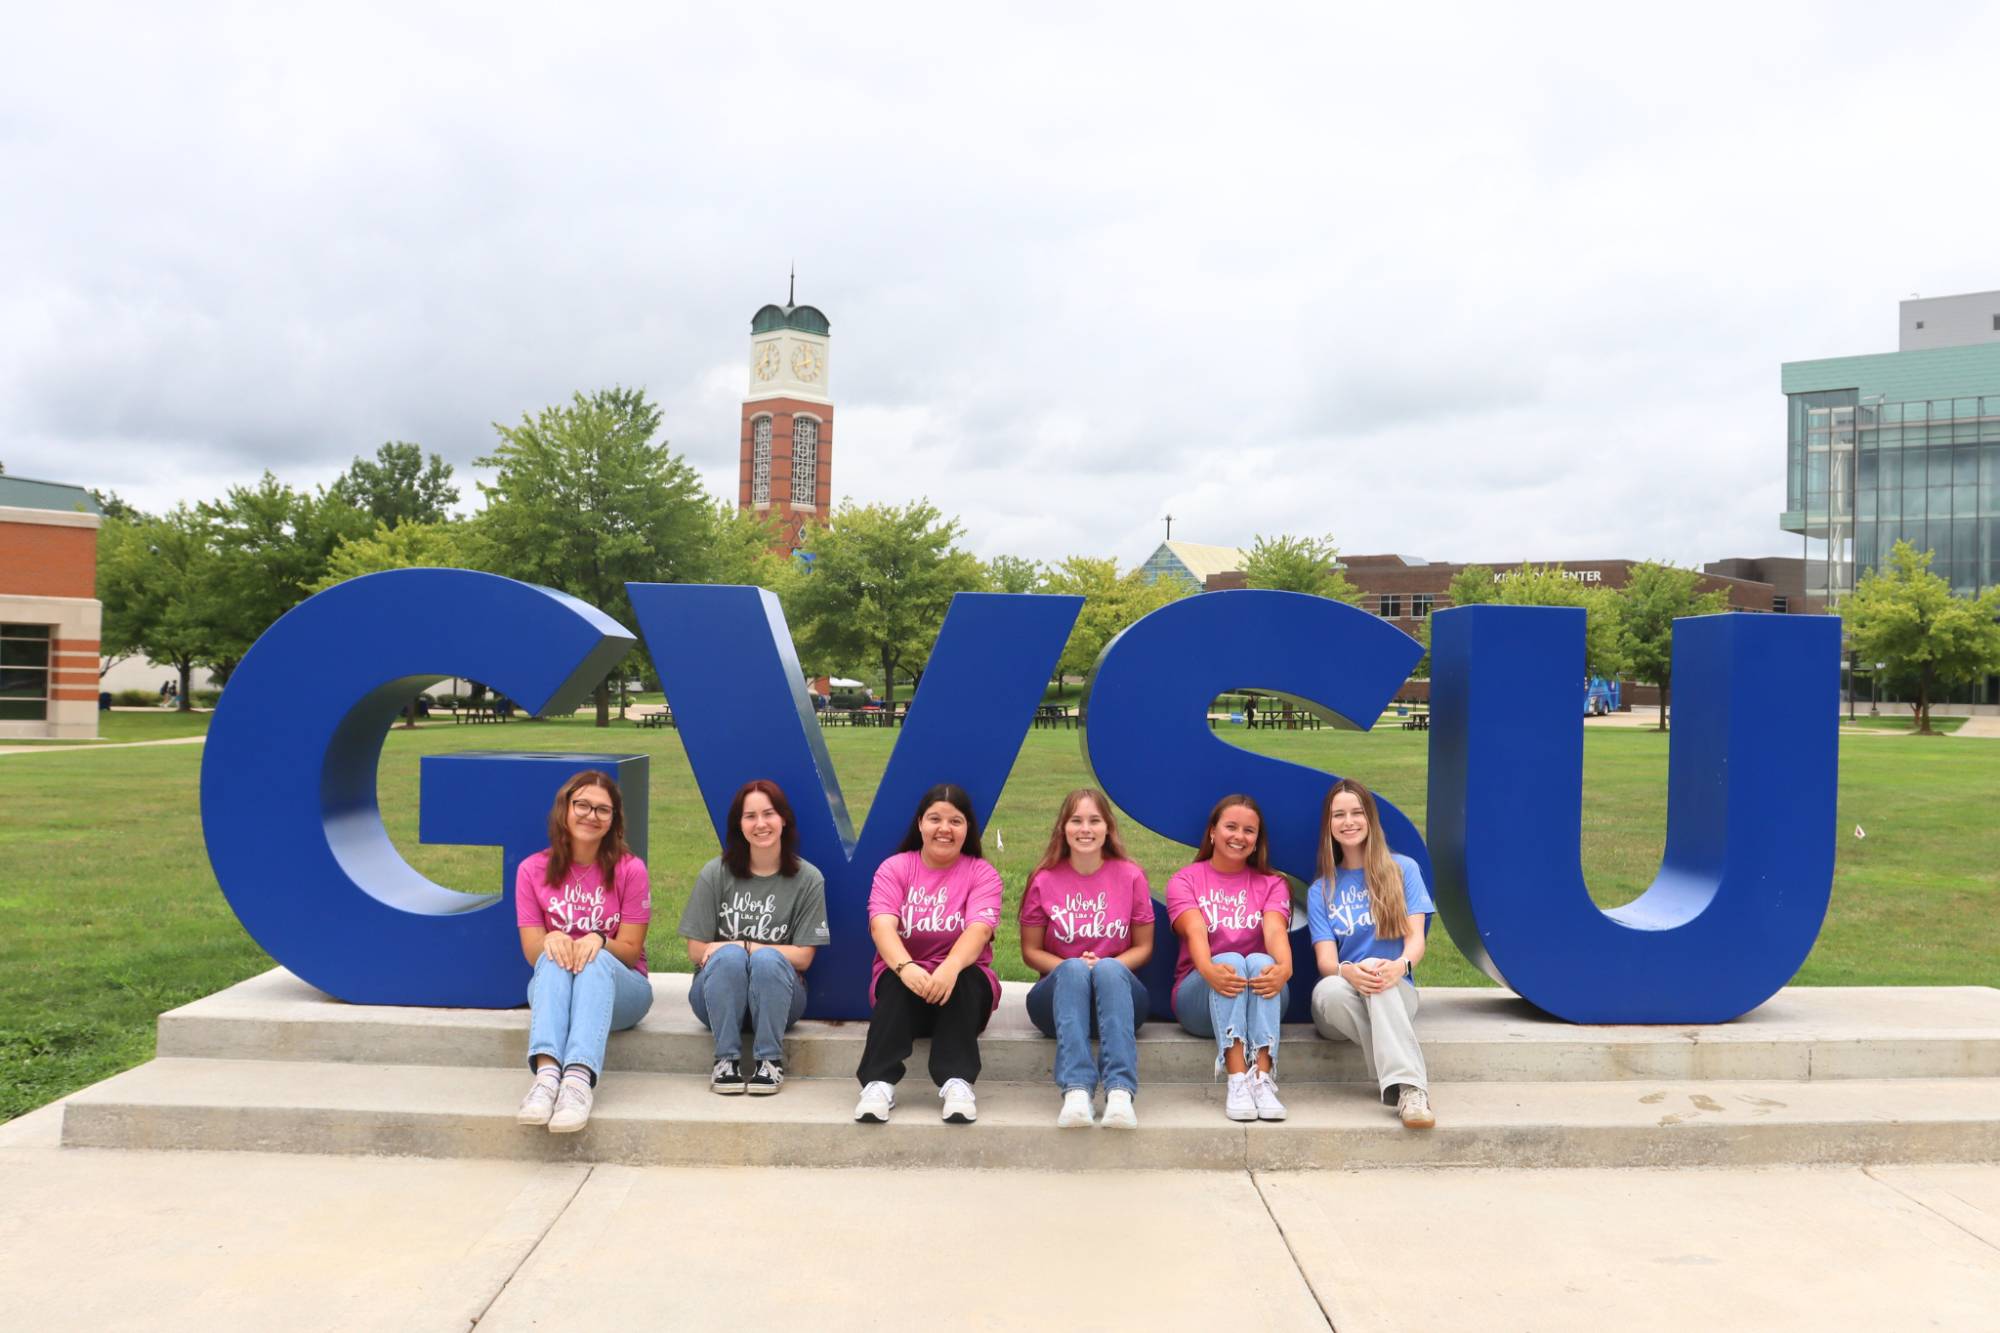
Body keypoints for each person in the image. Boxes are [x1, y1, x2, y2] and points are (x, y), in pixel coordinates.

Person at [513, 770, 654, 1133]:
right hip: (555, 984)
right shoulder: (532, 870)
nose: (591, 816)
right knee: (554, 955)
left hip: (624, 991)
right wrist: (552, 940)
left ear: (613, 820)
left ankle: (576, 1081)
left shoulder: (631, 870)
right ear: (565, 809)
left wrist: (600, 941)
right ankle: (546, 1079)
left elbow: (631, 949)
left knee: (594, 959)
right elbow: (532, 953)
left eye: (603, 810)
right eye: (583, 805)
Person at [854, 783, 1003, 1125]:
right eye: (935, 819)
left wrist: (949, 967)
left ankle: (958, 1084)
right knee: (892, 979)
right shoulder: (895, 868)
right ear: (920, 823)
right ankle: (878, 1084)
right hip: (908, 990)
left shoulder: (982, 873)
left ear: (968, 828)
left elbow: (978, 930)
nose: (944, 829)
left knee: (967, 976)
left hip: (961, 993)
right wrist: (907, 968)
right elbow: (882, 927)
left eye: (955, 821)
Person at [679, 779, 829, 1095]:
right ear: (739, 824)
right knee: (731, 959)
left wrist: (745, 945)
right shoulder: (715, 873)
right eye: (750, 816)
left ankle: (770, 1061)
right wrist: (734, 951)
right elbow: (696, 950)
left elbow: (803, 956)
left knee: (762, 957)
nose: (760, 824)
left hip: (781, 1000)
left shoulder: (808, 879)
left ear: (783, 819)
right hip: (715, 999)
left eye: (769, 814)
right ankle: (725, 1062)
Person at [1019, 789, 1154, 1129]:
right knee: (1076, 968)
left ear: (1108, 827)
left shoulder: (1130, 875)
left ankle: (1120, 1094)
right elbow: (1030, 952)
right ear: (1062, 827)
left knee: (1109, 968)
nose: (1085, 829)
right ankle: (1076, 1092)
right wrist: (1074, 969)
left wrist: (1102, 968)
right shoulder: (1044, 878)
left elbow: (1143, 947)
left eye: (1095, 820)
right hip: (1057, 1004)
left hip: (1119, 998)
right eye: (1076, 820)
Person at [1307, 778, 1436, 1129]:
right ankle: (1400, 1075)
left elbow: (1416, 939)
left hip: (1395, 990)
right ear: (1329, 825)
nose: (1348, 822)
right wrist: (1348, 971)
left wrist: (1400, 965)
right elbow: (1326, 963)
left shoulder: (1403, 870)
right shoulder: (1322, 889)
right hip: (1340, 1002)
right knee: (1332, 987)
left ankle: (1410, 1090)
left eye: (1356, 812)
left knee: (1378, 973)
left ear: (1370, 819)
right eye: (1339, 815)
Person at [1166, 793, 1294, 1122]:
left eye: (1249, 831)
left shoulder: (1272, 883)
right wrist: (1208, 969)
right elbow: (1195, 931)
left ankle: (1262, 1079)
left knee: (1261, 963)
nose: (1239, 836)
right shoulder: (1185, 880)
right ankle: (1237, 1079)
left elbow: (1275, 932)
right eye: (1231, 827)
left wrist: (1285, 968)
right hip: (1199, 998)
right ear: (1212, 831)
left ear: (1257, 841)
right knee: (1233, 960)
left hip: (1261, 997)